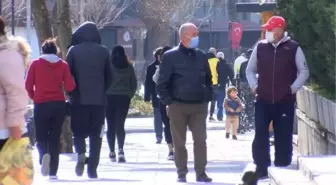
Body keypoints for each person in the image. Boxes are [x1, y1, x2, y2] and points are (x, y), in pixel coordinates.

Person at [246, 16, 309, 179]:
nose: (267, 32)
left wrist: (293, 88)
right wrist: (254, 85)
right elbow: (250, 70)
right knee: (260, 133)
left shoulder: (293, 48)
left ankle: (282, 165)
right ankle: (261, 167)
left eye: (270, 29)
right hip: (263, 99)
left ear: (280, 30)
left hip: (284, 100)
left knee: (283, 134)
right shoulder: (260, 47)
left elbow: (304, 71)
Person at [157, 23, 212, 183]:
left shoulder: (201, 55)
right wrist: (169, 102)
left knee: (200, 140)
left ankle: (201, 172)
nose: (196, 36)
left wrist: (207, 95)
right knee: (179, 142)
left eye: (197, 33)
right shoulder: (170, 56)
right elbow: (161, 83)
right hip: (178, 106)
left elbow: (209, 79)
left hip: (199, 105)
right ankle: (181, 172)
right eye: (193, 34)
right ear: (183, 36)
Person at [66, 22, 111, 178]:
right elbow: (109, 76)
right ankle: (92, 169)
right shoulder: (104, 51)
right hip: (99, 101)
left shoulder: (73, 51)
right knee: (96, 135)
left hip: (78, 100)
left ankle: (81, 153)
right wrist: (103, 90)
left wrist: (70, 92)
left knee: (78, 132)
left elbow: (67, 75)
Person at [25, 38, 76, 179]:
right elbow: (70, 86)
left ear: (42, 51)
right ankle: (53, 172)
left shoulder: (35, 64)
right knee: (54, 137)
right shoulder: (63, 65)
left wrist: (34, 96)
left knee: (41, 136)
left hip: (41, 104)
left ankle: (43, 156)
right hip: (58, 105)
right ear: (56, 51)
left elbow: (27, 85)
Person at [0, 16, 31, 181]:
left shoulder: (6, 56)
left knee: (10, 178)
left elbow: (16, 91)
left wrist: (14, 123)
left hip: (5, 129)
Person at [106, 45, 137, 163]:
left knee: (110, 125)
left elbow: (104, 81)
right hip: (123, 98)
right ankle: (120, 150)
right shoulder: (129, 67)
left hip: (109, 98)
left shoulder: (108, 66)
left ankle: (111, 151)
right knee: (120, 124)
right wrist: (129, 94)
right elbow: (133, 83)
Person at [152, 46, 174, 160]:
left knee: (167, 124)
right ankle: (176, 147)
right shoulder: (178, 65)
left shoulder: (162, 67)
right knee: (177, 125)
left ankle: (171, 150)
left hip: (163, 99)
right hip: (177, 100)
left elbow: (155, 79)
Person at [144, 47, 163, 144]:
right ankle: (159, 135)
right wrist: (147, 96)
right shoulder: (151, 67)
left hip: (168, 96)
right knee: (158, 116)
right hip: (156, 95)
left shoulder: (170, 65)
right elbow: (147, 83)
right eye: (159, 55)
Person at [216, 52, 234, 121]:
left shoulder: (214, 64)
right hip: (222, 84)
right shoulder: (226, 64)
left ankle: (211, 115)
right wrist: (233, 82)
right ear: (223, 57)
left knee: (214, 101)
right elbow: (231, 74)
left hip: (212, 84)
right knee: (222, 100)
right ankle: (220, 115)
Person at [206, 47, 219, 121]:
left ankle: (204, 115)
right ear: (214, 53)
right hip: (214, 82)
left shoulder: (204, 59)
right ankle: (211, 115)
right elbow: (219, 71)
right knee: (213, 100)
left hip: (206, 82)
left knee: (206, 100)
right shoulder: (217, 60)